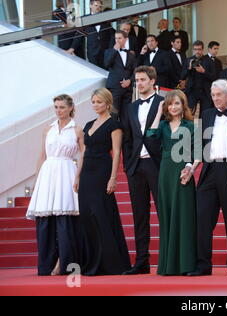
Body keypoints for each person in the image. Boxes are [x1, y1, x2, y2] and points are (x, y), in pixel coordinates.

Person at [187, 80, 227, 276]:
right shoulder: (206, 115)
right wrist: (190, 167)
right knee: (202, 219)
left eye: (219, 95)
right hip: (209, 170)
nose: (215, 99)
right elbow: (198, 146)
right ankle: (203, 265)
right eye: (213, 95)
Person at [74, 88, 131, 276]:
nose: (95, 105)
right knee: (87, 216)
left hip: (102, 170)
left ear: (107, 103)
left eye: (99, 102)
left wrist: (113, 177)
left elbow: (116, 153)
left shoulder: (114, 124)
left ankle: (111, 263)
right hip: (87, 173)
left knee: (101, 214)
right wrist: (77, 176)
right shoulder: (89, 123)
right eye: (93, 102)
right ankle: (91, 262)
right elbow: (83, 152)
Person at [26, 94, 82, 276]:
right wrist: (37, 180)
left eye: (62, 107)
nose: (59, 111)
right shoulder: (47, 130)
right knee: (45, 220)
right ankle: (46, 264)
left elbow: (84, 155)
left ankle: (63, 263)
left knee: (64, 219)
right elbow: (42, 155)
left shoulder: (77, 130)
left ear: (70, 108)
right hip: (47, 174)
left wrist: (79, 176)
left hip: (67, 171)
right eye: (56, 107)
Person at [147, 90, 199, 276]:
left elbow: (197, 153)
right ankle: (168, 265)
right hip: (165, 172)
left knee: (184, 216)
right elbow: (150, 134)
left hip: (183, 171)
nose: (174, 107)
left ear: (183, 104)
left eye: (177, 103)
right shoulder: (163, 125)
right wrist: (159, 112)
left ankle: (186, 265)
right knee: (167, 215)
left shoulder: (192, 126)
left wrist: (190, 169)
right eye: (170, 104)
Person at [121, 66, 164, 275]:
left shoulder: (163, 103)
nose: (139, 83)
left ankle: (166, 261)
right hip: (136, 166)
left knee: (163, 213)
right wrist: (128, 165)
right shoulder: (131, 107)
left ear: (152, 81)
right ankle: (141, 262)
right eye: (137, 80)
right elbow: (127, 138)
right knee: (139, 216)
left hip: (157, 164)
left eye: (143, 80)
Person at [104, 30, 136, 122]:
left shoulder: (131, 54)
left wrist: (130, 80)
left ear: (125, 39)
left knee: (126, 117)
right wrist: (114, 50)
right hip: (115, 88)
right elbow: (106, 64)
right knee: (113, 114)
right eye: (116, 38)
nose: (117, 40)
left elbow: (135, 70)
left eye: (120, 38)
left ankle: (125, 136)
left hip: (127, 89)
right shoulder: (109, 52)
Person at [180, 40, 216, 115]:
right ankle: (191, 127)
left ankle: (199, 127)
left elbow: (214, 77)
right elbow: (182, 76)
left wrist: (203, 71)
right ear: (193, 50)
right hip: (192, 92)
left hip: (205, 92)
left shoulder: (209, 61)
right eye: (195, 49)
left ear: (203, 50)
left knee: (204, 115)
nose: (197, 51)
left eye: (199, 49)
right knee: (189, 114)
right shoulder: (188, 60)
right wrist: (188, 69)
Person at [84, 0, 115, 69]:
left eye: (100, 6)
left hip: (104, 51)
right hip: (92, 51)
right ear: (90, 6)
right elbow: (78, 34)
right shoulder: (85, 19)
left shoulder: (105, 18)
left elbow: (112, 33)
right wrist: (72, 48)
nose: (98, 7)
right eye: (96, 5)